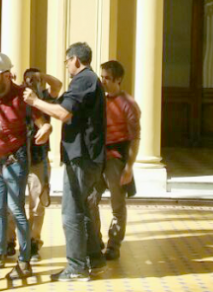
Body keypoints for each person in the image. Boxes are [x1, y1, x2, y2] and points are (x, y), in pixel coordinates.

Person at [24, 42, 107, 281]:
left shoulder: (83, 81)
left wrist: (34, 102)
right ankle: (94, 260)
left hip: (81, 157)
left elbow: (63, 112)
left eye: (67, 61)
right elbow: (62, 100)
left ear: (76, 61)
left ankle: (76, 267)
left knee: (71, 212)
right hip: (86, 157)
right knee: (84, 209)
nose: (66, 66)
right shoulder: (89, 80)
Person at [0, 53, 52, 280]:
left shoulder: (24, 97)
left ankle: (24, 262)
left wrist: (45, 130)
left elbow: (42, 123)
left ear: (7, 75)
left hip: (15, 162)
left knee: (16, 210)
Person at [6, 68, 62, 262]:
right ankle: (9, 241)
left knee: (37, 204)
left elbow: (58, 85)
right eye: (27, 79)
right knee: (13, 202)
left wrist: (42, 77)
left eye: (34, 79)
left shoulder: (44, 98)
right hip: (18, 156)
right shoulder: (19, 96)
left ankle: (34, 242)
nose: (30, 82)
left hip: (38, 157)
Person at [89, 60, 141, 261]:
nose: (103, 81)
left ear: (118, 80)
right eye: (101, 77)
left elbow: (134, 137)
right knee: (91, 199)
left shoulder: (128, 104)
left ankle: (114, 244)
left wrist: (129, 167)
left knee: (117, 204)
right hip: (98, 158)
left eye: (107, 78)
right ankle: (95, 239)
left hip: (116, 160)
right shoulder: (100, 100)